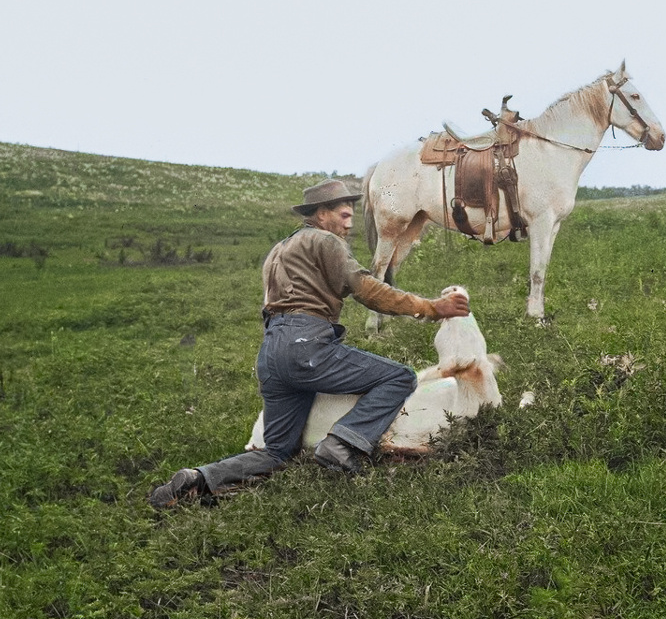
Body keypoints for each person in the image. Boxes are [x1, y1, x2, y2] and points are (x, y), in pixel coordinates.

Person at [149, 178, 470, 509]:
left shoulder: (279, 250)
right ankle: (342, 443)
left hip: (272, 353)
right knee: (399, 376)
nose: (349, 223)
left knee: (277, 451)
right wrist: (432, 308)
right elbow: (367, 289)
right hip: (306, 343)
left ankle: (198, 478)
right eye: (343, 215)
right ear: (320, 214)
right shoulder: (324, 242)